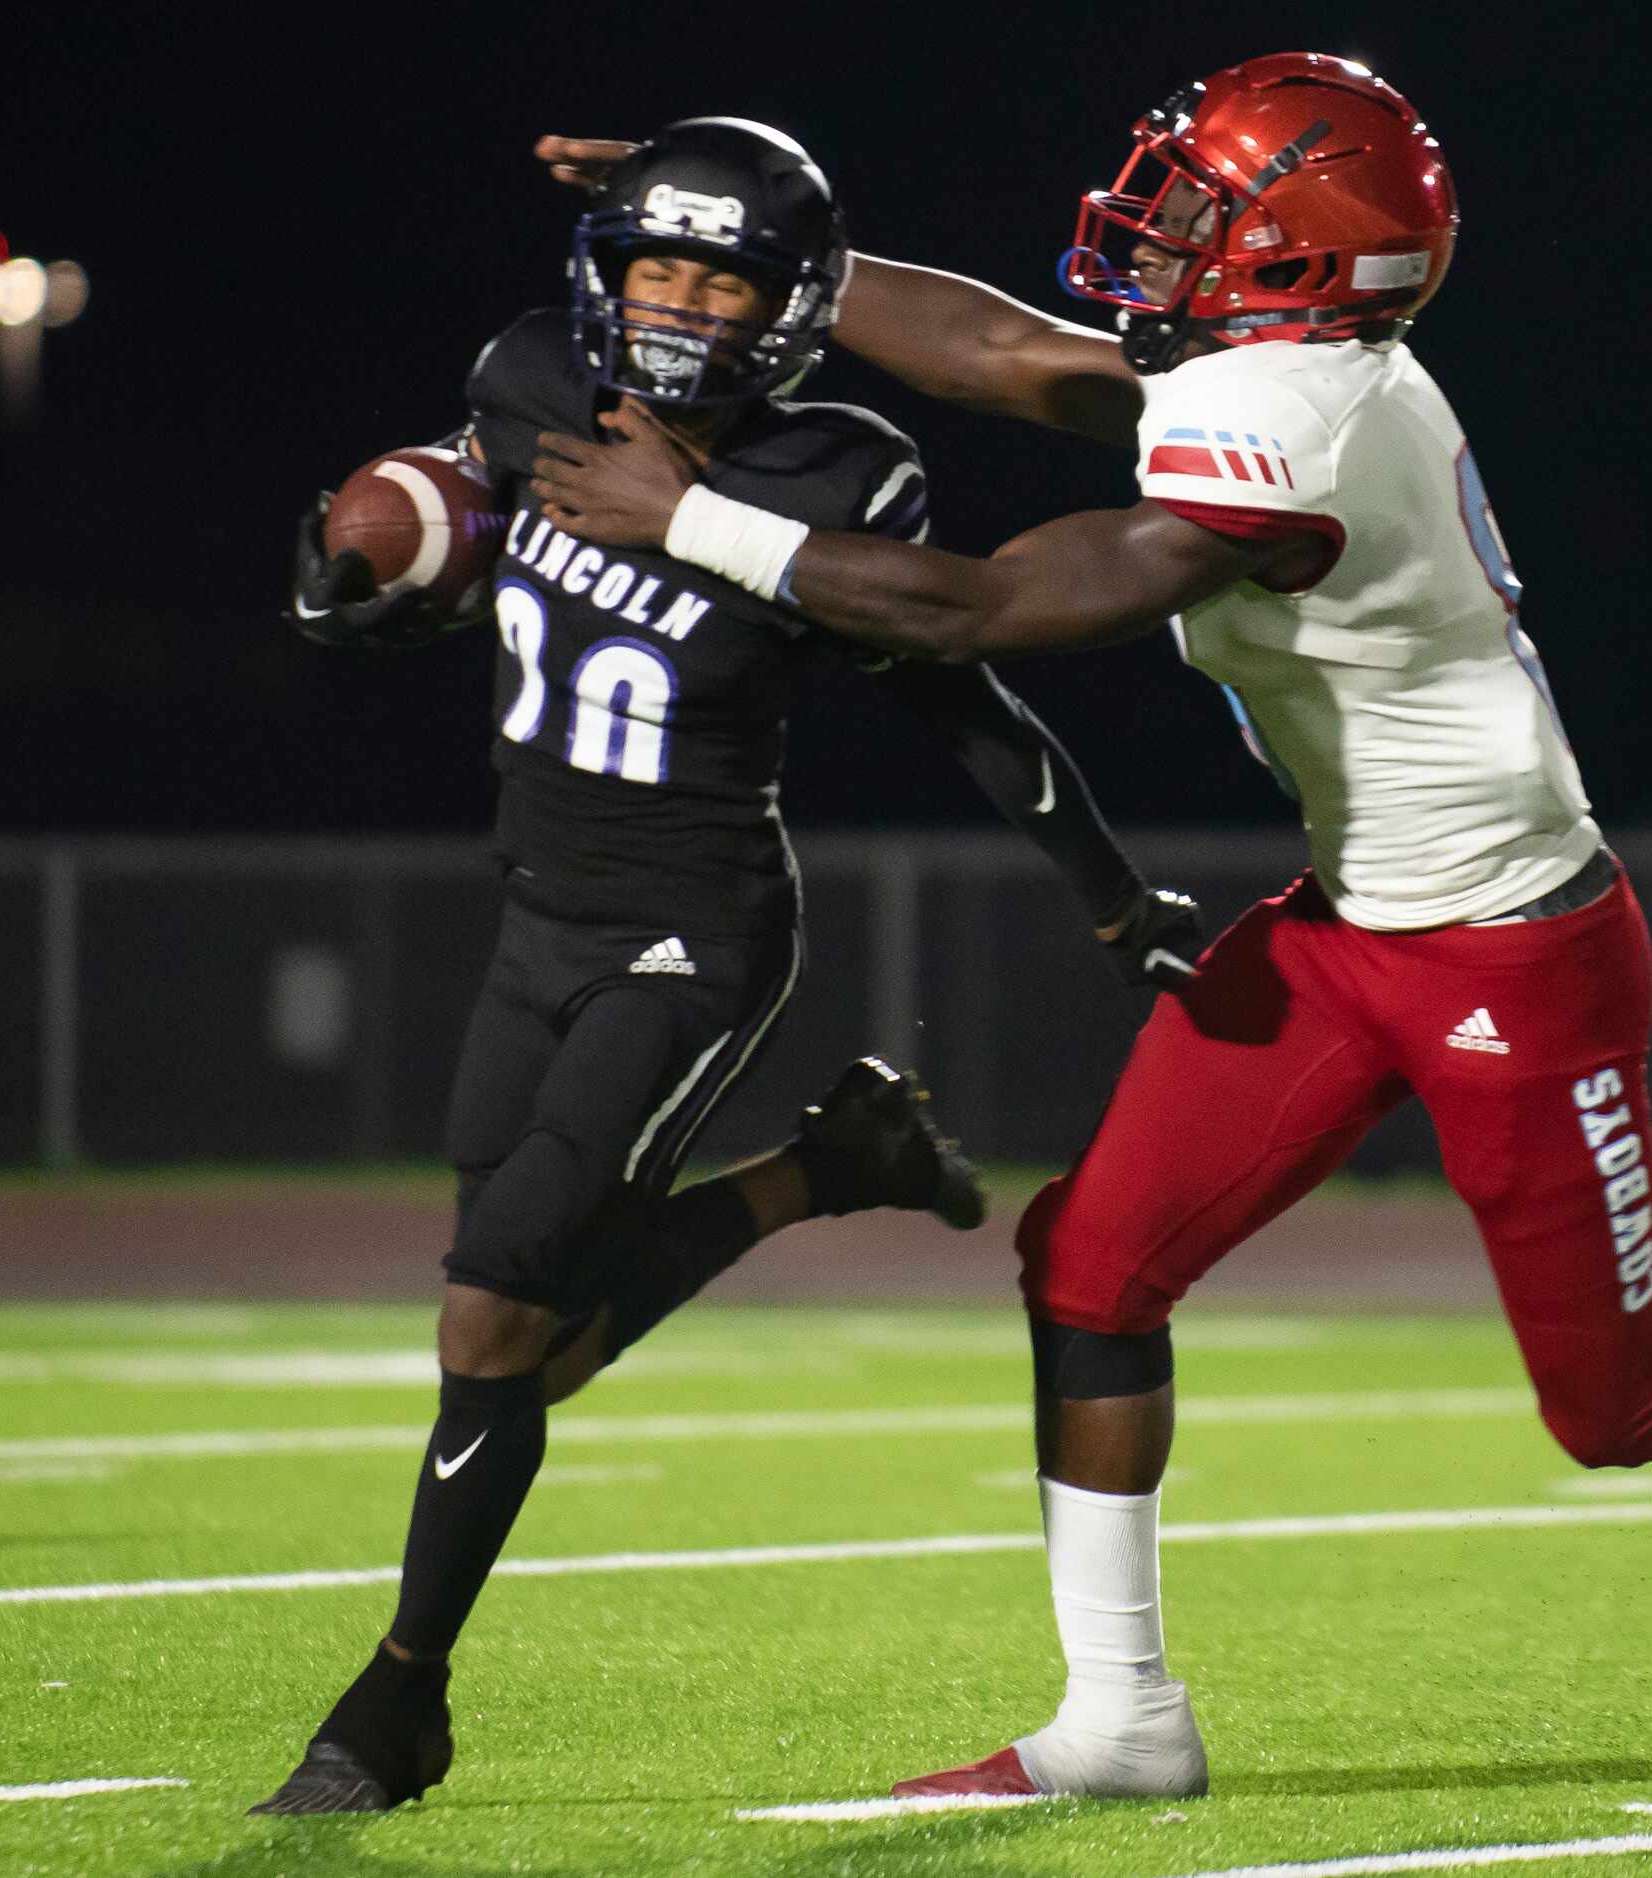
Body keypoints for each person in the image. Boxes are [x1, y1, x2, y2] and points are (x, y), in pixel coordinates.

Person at [528, 54, 1652, 1801]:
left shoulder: (1294, 422)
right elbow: (1019, 357)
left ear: (1299, 257)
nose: (1156, 228)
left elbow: (985, 608)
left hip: (1508, 948)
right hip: (1348, 921)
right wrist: (755, 242)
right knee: (1087, 1266)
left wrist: (693, 516)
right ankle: (1120, 1719)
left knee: (1615, 1408)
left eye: (1201, 211)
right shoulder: (1279, 368)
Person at [250, 115, 1204, 1816]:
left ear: (788, 302)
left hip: (692, 929)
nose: (677, 298)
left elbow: (959, 686)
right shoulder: (533, 376)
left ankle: (396, 1701)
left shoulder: (830, 472)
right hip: (534, 906)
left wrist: (1113, 894)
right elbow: (458, 517)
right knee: (524, 1349)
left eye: (718, 269)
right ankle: (831, 1164)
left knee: (489, 1313)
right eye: (654, 260)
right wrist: (372, 569)